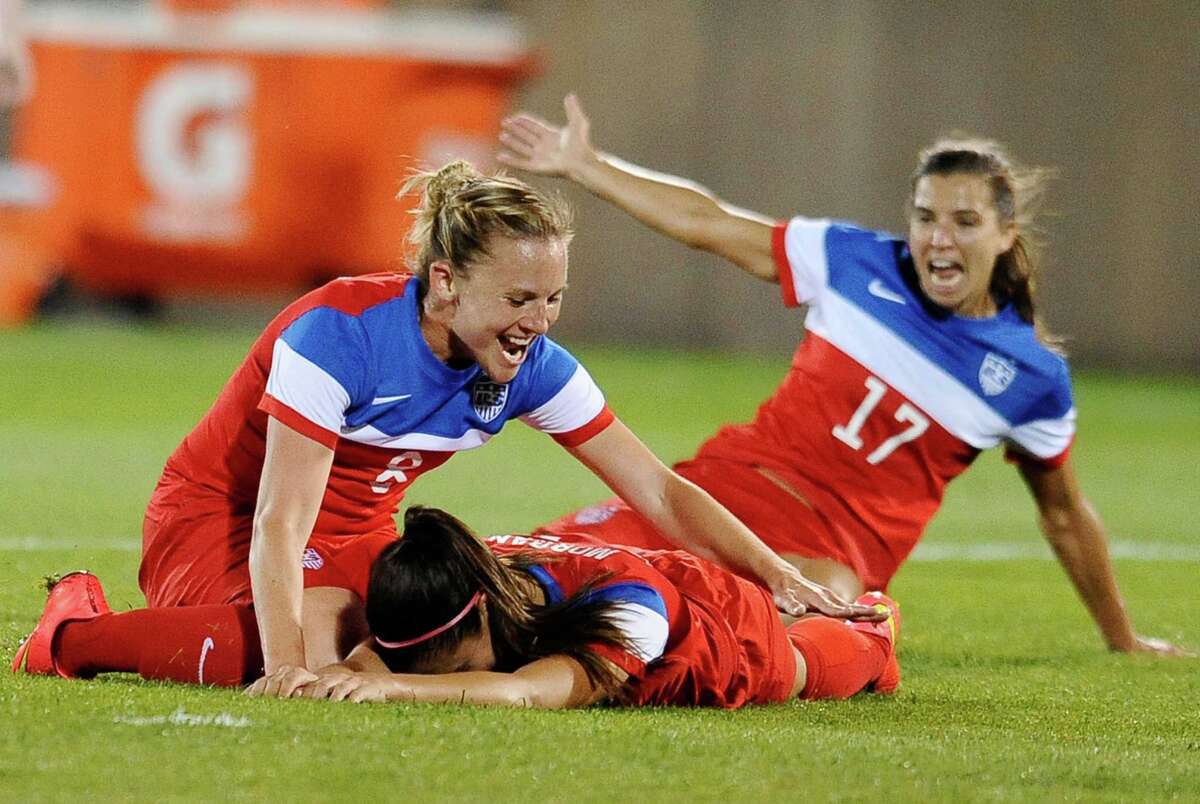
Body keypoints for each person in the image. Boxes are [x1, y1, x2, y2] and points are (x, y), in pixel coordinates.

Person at [14, 160, 877, 691]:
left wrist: (776, 578)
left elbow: (655, 486)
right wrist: (285, 669)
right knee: (298, 645)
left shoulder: (527, 361)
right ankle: (72, 634)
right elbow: (279, 522)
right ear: (443, 284)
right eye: (518, 298)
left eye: (552, 299)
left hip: (354, 539)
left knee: (462, 635)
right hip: (219, 522)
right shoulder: (340, 335)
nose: (537, 321)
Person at [497, 96, 1190, 657]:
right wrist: (586, 165)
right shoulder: (853, 262)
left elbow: (1065, 515)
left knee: (797, 616)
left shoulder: (1030, 377)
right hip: (719, 496)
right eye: (924, 218)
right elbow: (706, 220)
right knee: (518, 581)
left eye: (964, 221)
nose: (938, 238)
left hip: (826, 556)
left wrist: (1122, 638)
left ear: (1007, 235)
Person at [13, 507, 901, 709]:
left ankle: (873, 625)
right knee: (257, 644)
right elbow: (344, 621)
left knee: (809, 671)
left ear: (481, 625)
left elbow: (524, 694)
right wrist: (322, 668)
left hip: (719, 622)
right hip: (557, 576)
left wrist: (396, 691)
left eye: (430, 659)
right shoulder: (458, 589)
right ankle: (75, 629)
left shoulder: (631, 615)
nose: (412, 671)